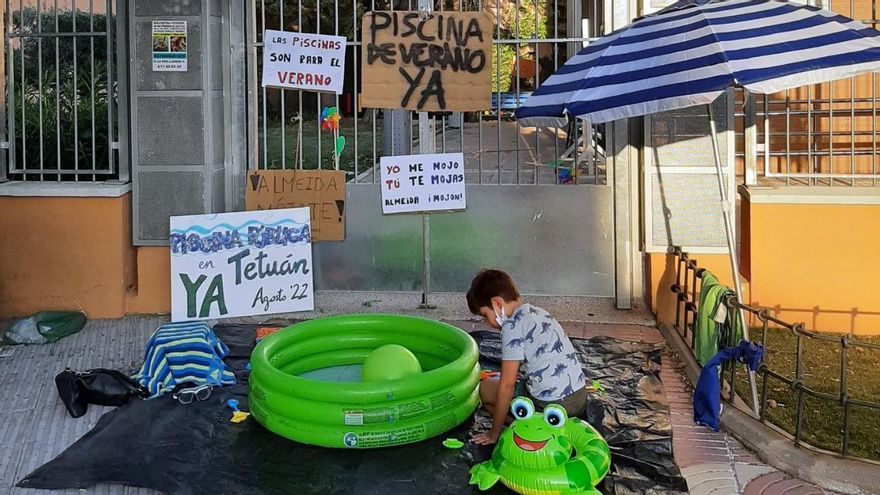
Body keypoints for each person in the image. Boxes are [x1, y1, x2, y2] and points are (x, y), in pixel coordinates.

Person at [467, 268, 588, 445]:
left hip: (550, 406)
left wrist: (493, 433)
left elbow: (507, 385)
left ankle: (527, 428)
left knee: (486, 389)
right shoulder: (539, 312)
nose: (487, 323)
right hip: (578, 399)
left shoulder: (511, 327)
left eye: (485, 315)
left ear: (497, 303)